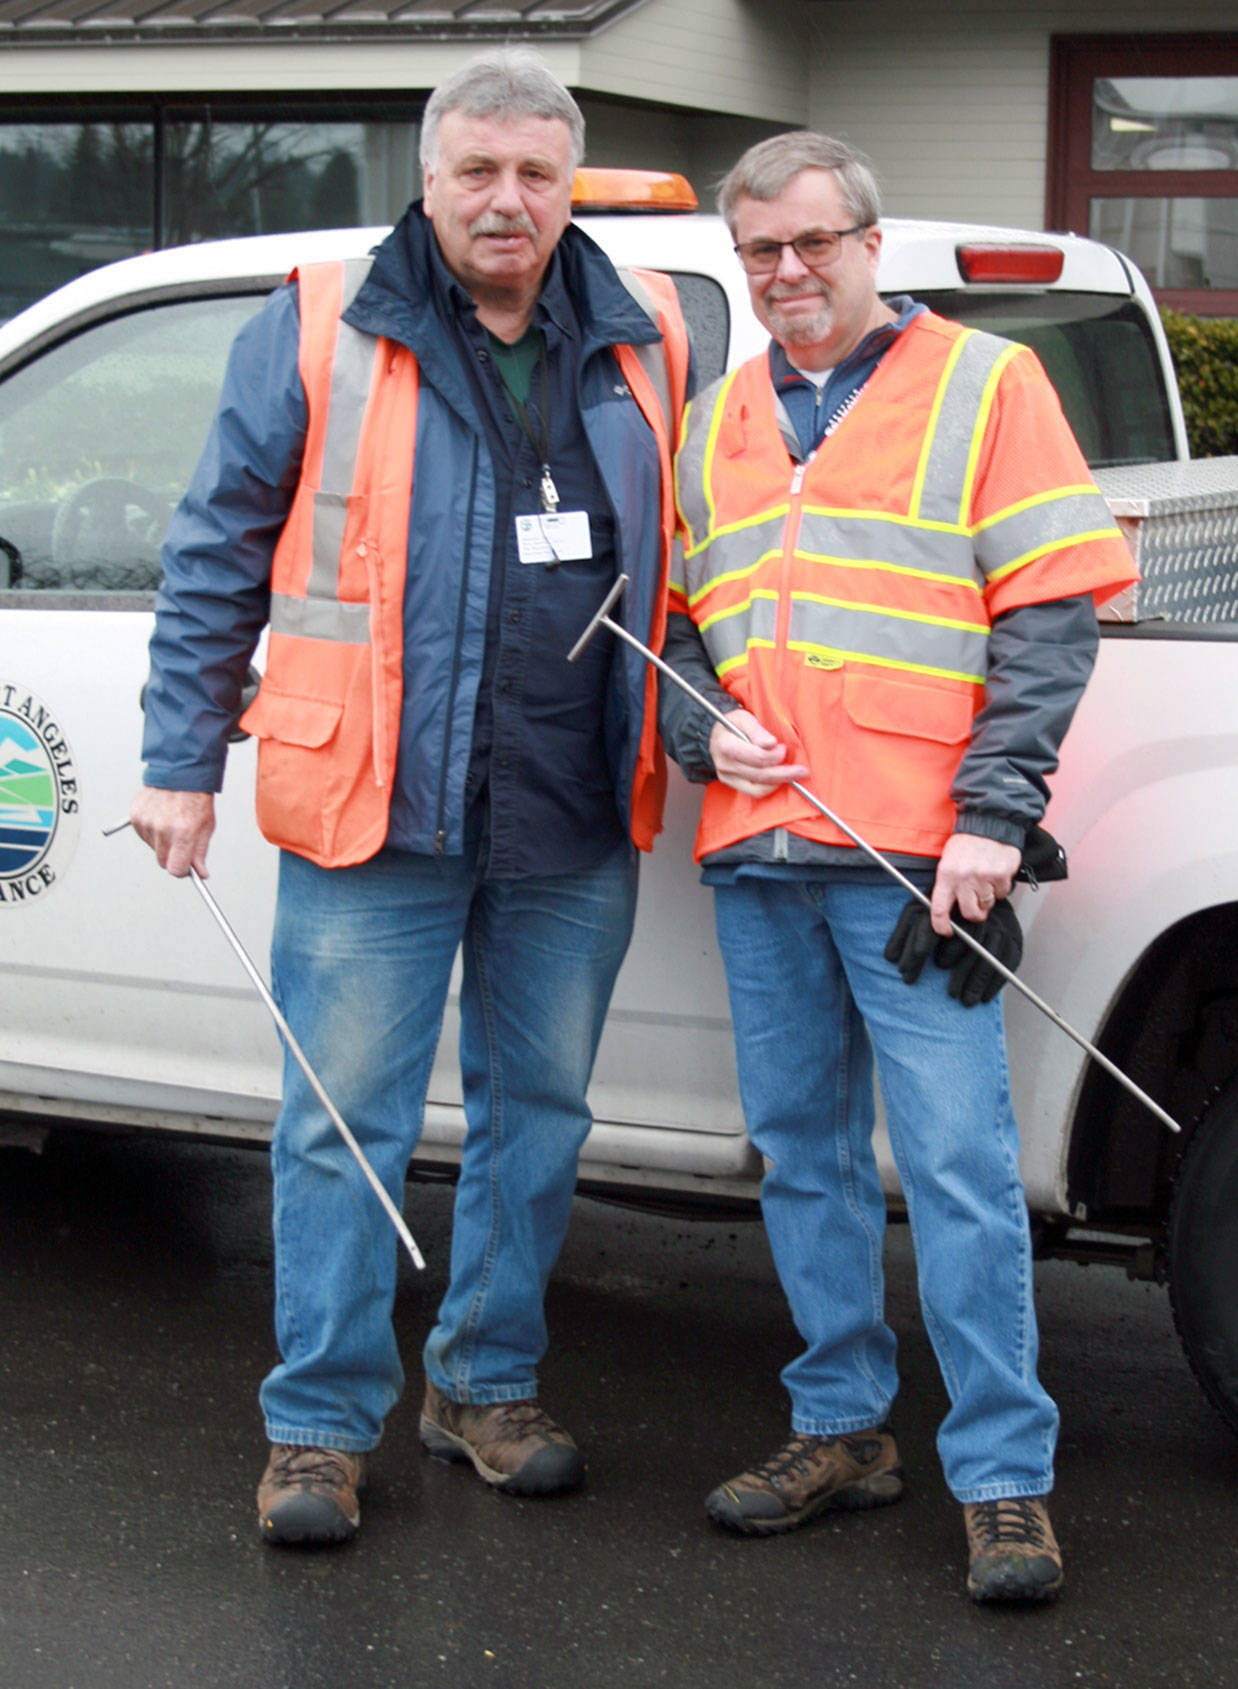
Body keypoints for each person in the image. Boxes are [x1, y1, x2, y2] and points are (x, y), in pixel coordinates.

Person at [129, 48, 688, 1547]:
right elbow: (213, 550)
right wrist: (181, 755)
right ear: (427, 179)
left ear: (570, 186)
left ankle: (486, 1384)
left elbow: (686, 555)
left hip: (573, 805)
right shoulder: (318, 322)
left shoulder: (650, 334)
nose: (508, 201)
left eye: (537, 175)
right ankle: (316, 1425)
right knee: (340, 1123)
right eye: (477, 172)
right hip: (378, 801)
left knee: (541, 1119)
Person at [659, 131, 1136, 1603]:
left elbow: (1051, 616)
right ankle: (840, 1428)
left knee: (959, 1173)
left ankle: (1003, 1479)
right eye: (762, 254)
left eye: (813, 245)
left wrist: (994, 818)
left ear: (871, 244)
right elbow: (682, 631)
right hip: (761, 852)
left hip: (922, 865)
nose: (788, 274)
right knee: (801, 1159)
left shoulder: (989, 385)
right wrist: (699, 730)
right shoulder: (717, 418)